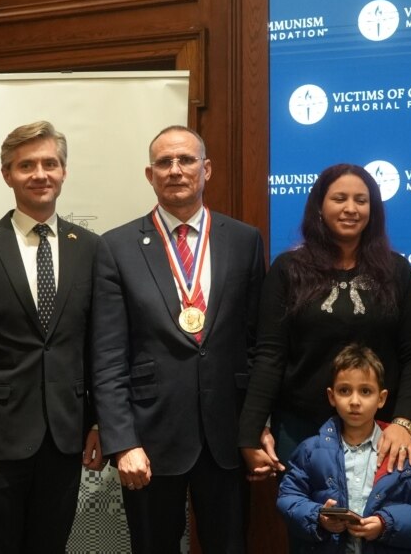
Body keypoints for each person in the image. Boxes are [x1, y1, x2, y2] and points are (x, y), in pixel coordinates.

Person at [92, 125, 265, 554]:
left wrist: (259, 424)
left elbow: (258, 342)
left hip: (227, 435)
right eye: (164, 163)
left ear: (206, 170)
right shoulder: (116, 247)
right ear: (149, 175)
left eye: (186, 160)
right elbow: (108, 354)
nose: (176, 170)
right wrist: (122, 441)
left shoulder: (244, 240)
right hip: (150, 437)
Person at [0, 121, 105, 554]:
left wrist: (99, 422)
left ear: (64, 172)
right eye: (26, 165)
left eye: (50, 163)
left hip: (65, 436)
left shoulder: (89, 248)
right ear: (7, 174)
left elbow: (100, 346)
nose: (40, 173)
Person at [238, 164, 411, 478]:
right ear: (319, 207)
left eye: (361, 200)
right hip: (301, 430)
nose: (350, 208)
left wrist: (404, 423)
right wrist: (250, 433)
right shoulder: (288, 270)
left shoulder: (396, 271)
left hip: (382, 433)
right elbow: (269, 356)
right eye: (339, 198)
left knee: (378, 524)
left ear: (373, 210)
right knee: (309, 522)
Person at [278, 344, 411, 554]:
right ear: (332, 397)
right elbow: (289, 497)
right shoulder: (311, 450)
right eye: (344, 391)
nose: (355, 401)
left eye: (365, 391)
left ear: (382, 398)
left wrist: (386, 523)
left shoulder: (409, 452)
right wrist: (318, 516)